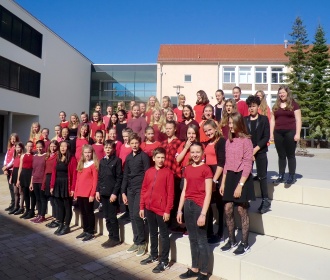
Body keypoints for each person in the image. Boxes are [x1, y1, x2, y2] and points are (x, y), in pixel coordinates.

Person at [220, 112, 255, 255]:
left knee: (241, 210)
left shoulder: (246, 141)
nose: (230, 126)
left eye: (232, 123)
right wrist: (223, 183)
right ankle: (231, 239)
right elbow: (227, 163)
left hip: (242, 177)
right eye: (228, 123)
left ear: (239, 123)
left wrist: (240, 185)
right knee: (228, 208)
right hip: (230, 176)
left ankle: (245, 243)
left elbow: (248, 164)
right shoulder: (228, 141)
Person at [177, 142, 213, 280]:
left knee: (201, 240)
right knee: (192, 239)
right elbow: (184, 191)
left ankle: (204, 272)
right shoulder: (187, 168)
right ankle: (194, 268)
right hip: (188, 205)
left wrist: (203, 213)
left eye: (198, 152)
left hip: (200, 206)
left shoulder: (206, 169)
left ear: (202, 153)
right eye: (192, 152)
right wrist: (179, 210)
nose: (195, 154)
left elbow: (208, 194)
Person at [139, 147, 174, 273]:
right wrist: (142, 206)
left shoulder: (168, 173)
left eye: (162, 157)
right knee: (152, 232)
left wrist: (167, 210)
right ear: (153, 158)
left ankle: (164, 260)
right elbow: (144, 189)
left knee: (164, 235)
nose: (160, 160)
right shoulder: (148, 172)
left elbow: (170, 194)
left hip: (161, 209)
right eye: (158, 157)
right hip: (149, 207)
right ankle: (153, 255)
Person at [121, 133, 150, 257]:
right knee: (132, 216)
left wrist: (145, 190)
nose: (134, 145)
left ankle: (142, 242)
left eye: (136, 143)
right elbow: (126, 175)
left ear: (140, 143)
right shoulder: (128, 157)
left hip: (140, 189)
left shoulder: (144, 156)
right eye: (132, 143)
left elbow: (148, 174)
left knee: (138, 215)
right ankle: (136, 241)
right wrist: (123, 192)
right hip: (130, 189)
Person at [270, 85, 302, 184]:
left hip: (290, 132)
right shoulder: (276, 105)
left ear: (287, 93)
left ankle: (292, 176)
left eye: (283, 92)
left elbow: (298, 120)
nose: (281, 94)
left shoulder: (294, 105)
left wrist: (298, 134)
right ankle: (281, 175)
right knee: (281, 155)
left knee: (290, 155)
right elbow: (272, 120)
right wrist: (271, 134)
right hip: (278, 133)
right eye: (280, 93)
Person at [245, 95, 271, 214]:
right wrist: (249, 150)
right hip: (248, 152)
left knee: (262, 176)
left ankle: (265, 200)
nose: (251, 108)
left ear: (258, 107)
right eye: (250, 106)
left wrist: (255, 149)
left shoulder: (264, 119)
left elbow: (266, 136)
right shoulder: (245, 120)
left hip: (260, 151)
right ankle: (246, 199)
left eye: (253, 106)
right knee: (246, 175)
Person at [96, 140, 123, 248]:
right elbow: (100, 177)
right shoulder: (102, 161)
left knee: (112, 216)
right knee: (106, 216)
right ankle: (110, 236)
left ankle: (115, 238)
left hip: (112, 193)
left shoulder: (117, 161)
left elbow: (119, 178)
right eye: (106, 147)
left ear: (113, 149)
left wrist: (115, 193)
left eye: (110, 148)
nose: (107, 149)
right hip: (103, 192)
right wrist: (98, 190)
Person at [202, 120, 226, 244]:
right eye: (205, 131)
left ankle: (221, 232)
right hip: (208, 174)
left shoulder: (221, 141)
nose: (208, 133)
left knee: (219, 206)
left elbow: (222, 163)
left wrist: (215, 180)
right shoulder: (207, 143)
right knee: (209, 204)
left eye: (210, 130)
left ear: (215, 128)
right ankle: (209, 231)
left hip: (217, 175)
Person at [50, 141, 77, 236]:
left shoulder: (72, 159)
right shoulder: (57, 158)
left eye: (65, 146)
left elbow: (74, 175)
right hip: (58, 184)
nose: (62, 148)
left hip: (67, 185)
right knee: (59, 206)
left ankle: (67, 226)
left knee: (67, 206)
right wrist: (52, 186)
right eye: (61, 146)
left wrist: (73, 189)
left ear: (68, 148)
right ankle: (61, 224)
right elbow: (54, 173)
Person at [75, 145, 99, 242]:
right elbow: (78, 180)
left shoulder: (94, 165)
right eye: (85, 152)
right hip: (80, 193)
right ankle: (85, 230)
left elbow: (95, 181)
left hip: (88, 194)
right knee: (83, 213)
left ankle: (91, 232)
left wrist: (92, 194)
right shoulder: (81, 164)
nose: (87, 154)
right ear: (83, 154)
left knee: (89, 213)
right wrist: (76, 192)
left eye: (89, 152)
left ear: (92, 153)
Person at [43, 140, 60, 228]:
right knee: (51, 200)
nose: (52, 148)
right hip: (48, 178)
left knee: (55, 200)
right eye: (51, 146)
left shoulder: (58, 156)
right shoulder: (47, 156)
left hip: (55, 178)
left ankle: (58, 219)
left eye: (54, 146)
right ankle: (55, 217)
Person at [29, 140, 47, 223]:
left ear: (43, 147)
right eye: (38, 147)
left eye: (41, 146)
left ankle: (42, 215)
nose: (39, 148)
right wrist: (31, 182)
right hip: (35, 180)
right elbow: (33, 170)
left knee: (42, 198)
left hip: (42, 180)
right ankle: (39, 214)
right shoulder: (35, 156)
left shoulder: (46, 156)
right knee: (37, 198)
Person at [17, 141, 34, 219]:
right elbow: (20, 167)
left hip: (31, 174)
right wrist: (18, 179)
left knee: (32, 195)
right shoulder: (23, 156)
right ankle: (27, 210)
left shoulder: (34, 155)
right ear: (26, 147)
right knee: (25, 194)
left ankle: (32, 211)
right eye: (28, 146)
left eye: (31, 146)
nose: (30, 148)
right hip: (24, 175)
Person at [3, 133, 19, 212]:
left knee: (14, 188)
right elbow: (6, 157)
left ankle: (16, 204)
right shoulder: (9, 148)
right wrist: (5, 167)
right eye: (11, 139)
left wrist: (7, 166)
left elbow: (13, 159)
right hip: (8, 169)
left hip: (13, 169)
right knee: (10, 187)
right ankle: (12, 203)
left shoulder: (16, 148)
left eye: (14, 138)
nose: (13, 140)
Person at [8, 142, 25, 215]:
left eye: (19, 147)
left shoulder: (23, 156)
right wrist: (11, 176)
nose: (18, 149)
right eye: (16, 147)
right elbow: (14, 166)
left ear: (22, 148)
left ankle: (21, 207)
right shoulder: (15, 156)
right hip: (14, 173)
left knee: (21, 192)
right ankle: (16, 206)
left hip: (20, 174)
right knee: (15, 192)